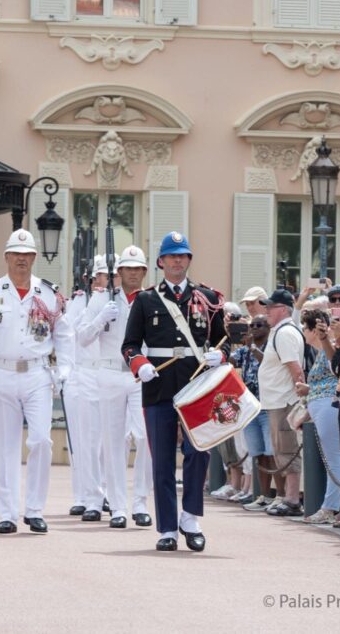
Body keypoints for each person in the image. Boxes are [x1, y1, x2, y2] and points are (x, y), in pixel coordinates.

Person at [122, 232, 229, 552]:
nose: (177, 261)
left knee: (199, 452)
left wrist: (220, 356)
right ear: (161, 262)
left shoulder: (208, 298)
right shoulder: (146, 300)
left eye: (183, 255)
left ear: (189, 260)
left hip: (198, 384)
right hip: (159, 385)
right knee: (163, 459)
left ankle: (191, 517)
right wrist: (139, 364)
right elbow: (129, 344)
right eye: (172, 256)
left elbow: (227, 341)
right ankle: (167, 527)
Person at [0, 229, 73, 535]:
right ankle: (8, 514)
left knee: (41, 440)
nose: (21, 260)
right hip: (1, 372)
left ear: (34, 258)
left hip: (37, 374)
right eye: (16, 254)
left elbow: (64, 335)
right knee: (6, 445)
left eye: (27, 255)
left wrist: (65, 369)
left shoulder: (49, 293)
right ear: (7, 257)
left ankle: (35, 509)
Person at [80, 245, 153, 529]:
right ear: (119, 272)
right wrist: (100, 320)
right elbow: (82, 338)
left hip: (140, 374)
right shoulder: (101, 300)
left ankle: (140, 503)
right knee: (113, 442)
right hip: (110, 372)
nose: (133, 273)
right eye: (127, 269)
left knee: (145, 438)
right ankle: (118, 505)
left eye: (138, 269)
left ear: (144, 272)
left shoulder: (152, 299)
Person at [256, 288, 305, 518]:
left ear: (283, 309)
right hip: (278, 400)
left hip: (284, 401)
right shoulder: (281, 331)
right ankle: (288, 496)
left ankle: (292, 498)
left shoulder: (285, 333)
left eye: (270, 306)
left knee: (287, 450)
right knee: (282, 451)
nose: (266, 310)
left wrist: (300, 398)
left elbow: (295, 369)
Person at [300, 308, 340, 526]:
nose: (302, 331)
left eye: (304, 327)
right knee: (337, 460)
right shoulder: (321, 350)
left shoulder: (328, 347)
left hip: (329, 405)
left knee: (335, 460)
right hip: (322, 405)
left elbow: (337, 371)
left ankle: (331, 507)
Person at [64, 255, 105, 521]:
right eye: (102, 276)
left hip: (107, 373)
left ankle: (105, 492)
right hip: (80, 372)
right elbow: (70, 337)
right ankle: (83, 494)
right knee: (80, 439)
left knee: (105, 440)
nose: (106, 281)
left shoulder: (114, 301)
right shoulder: (78, 302)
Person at [231, 315, 274, 508]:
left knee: (271, 452)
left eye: (259, 325)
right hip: (250, 408)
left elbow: (267, 363)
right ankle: (263, 496)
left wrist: (253, 347)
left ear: (268, 328)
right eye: (252, 325)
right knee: (258, 454)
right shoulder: (245, 350)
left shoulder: (269, 347)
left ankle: (278, 495)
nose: (255, 328)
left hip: (267, 406)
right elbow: (231, 362)